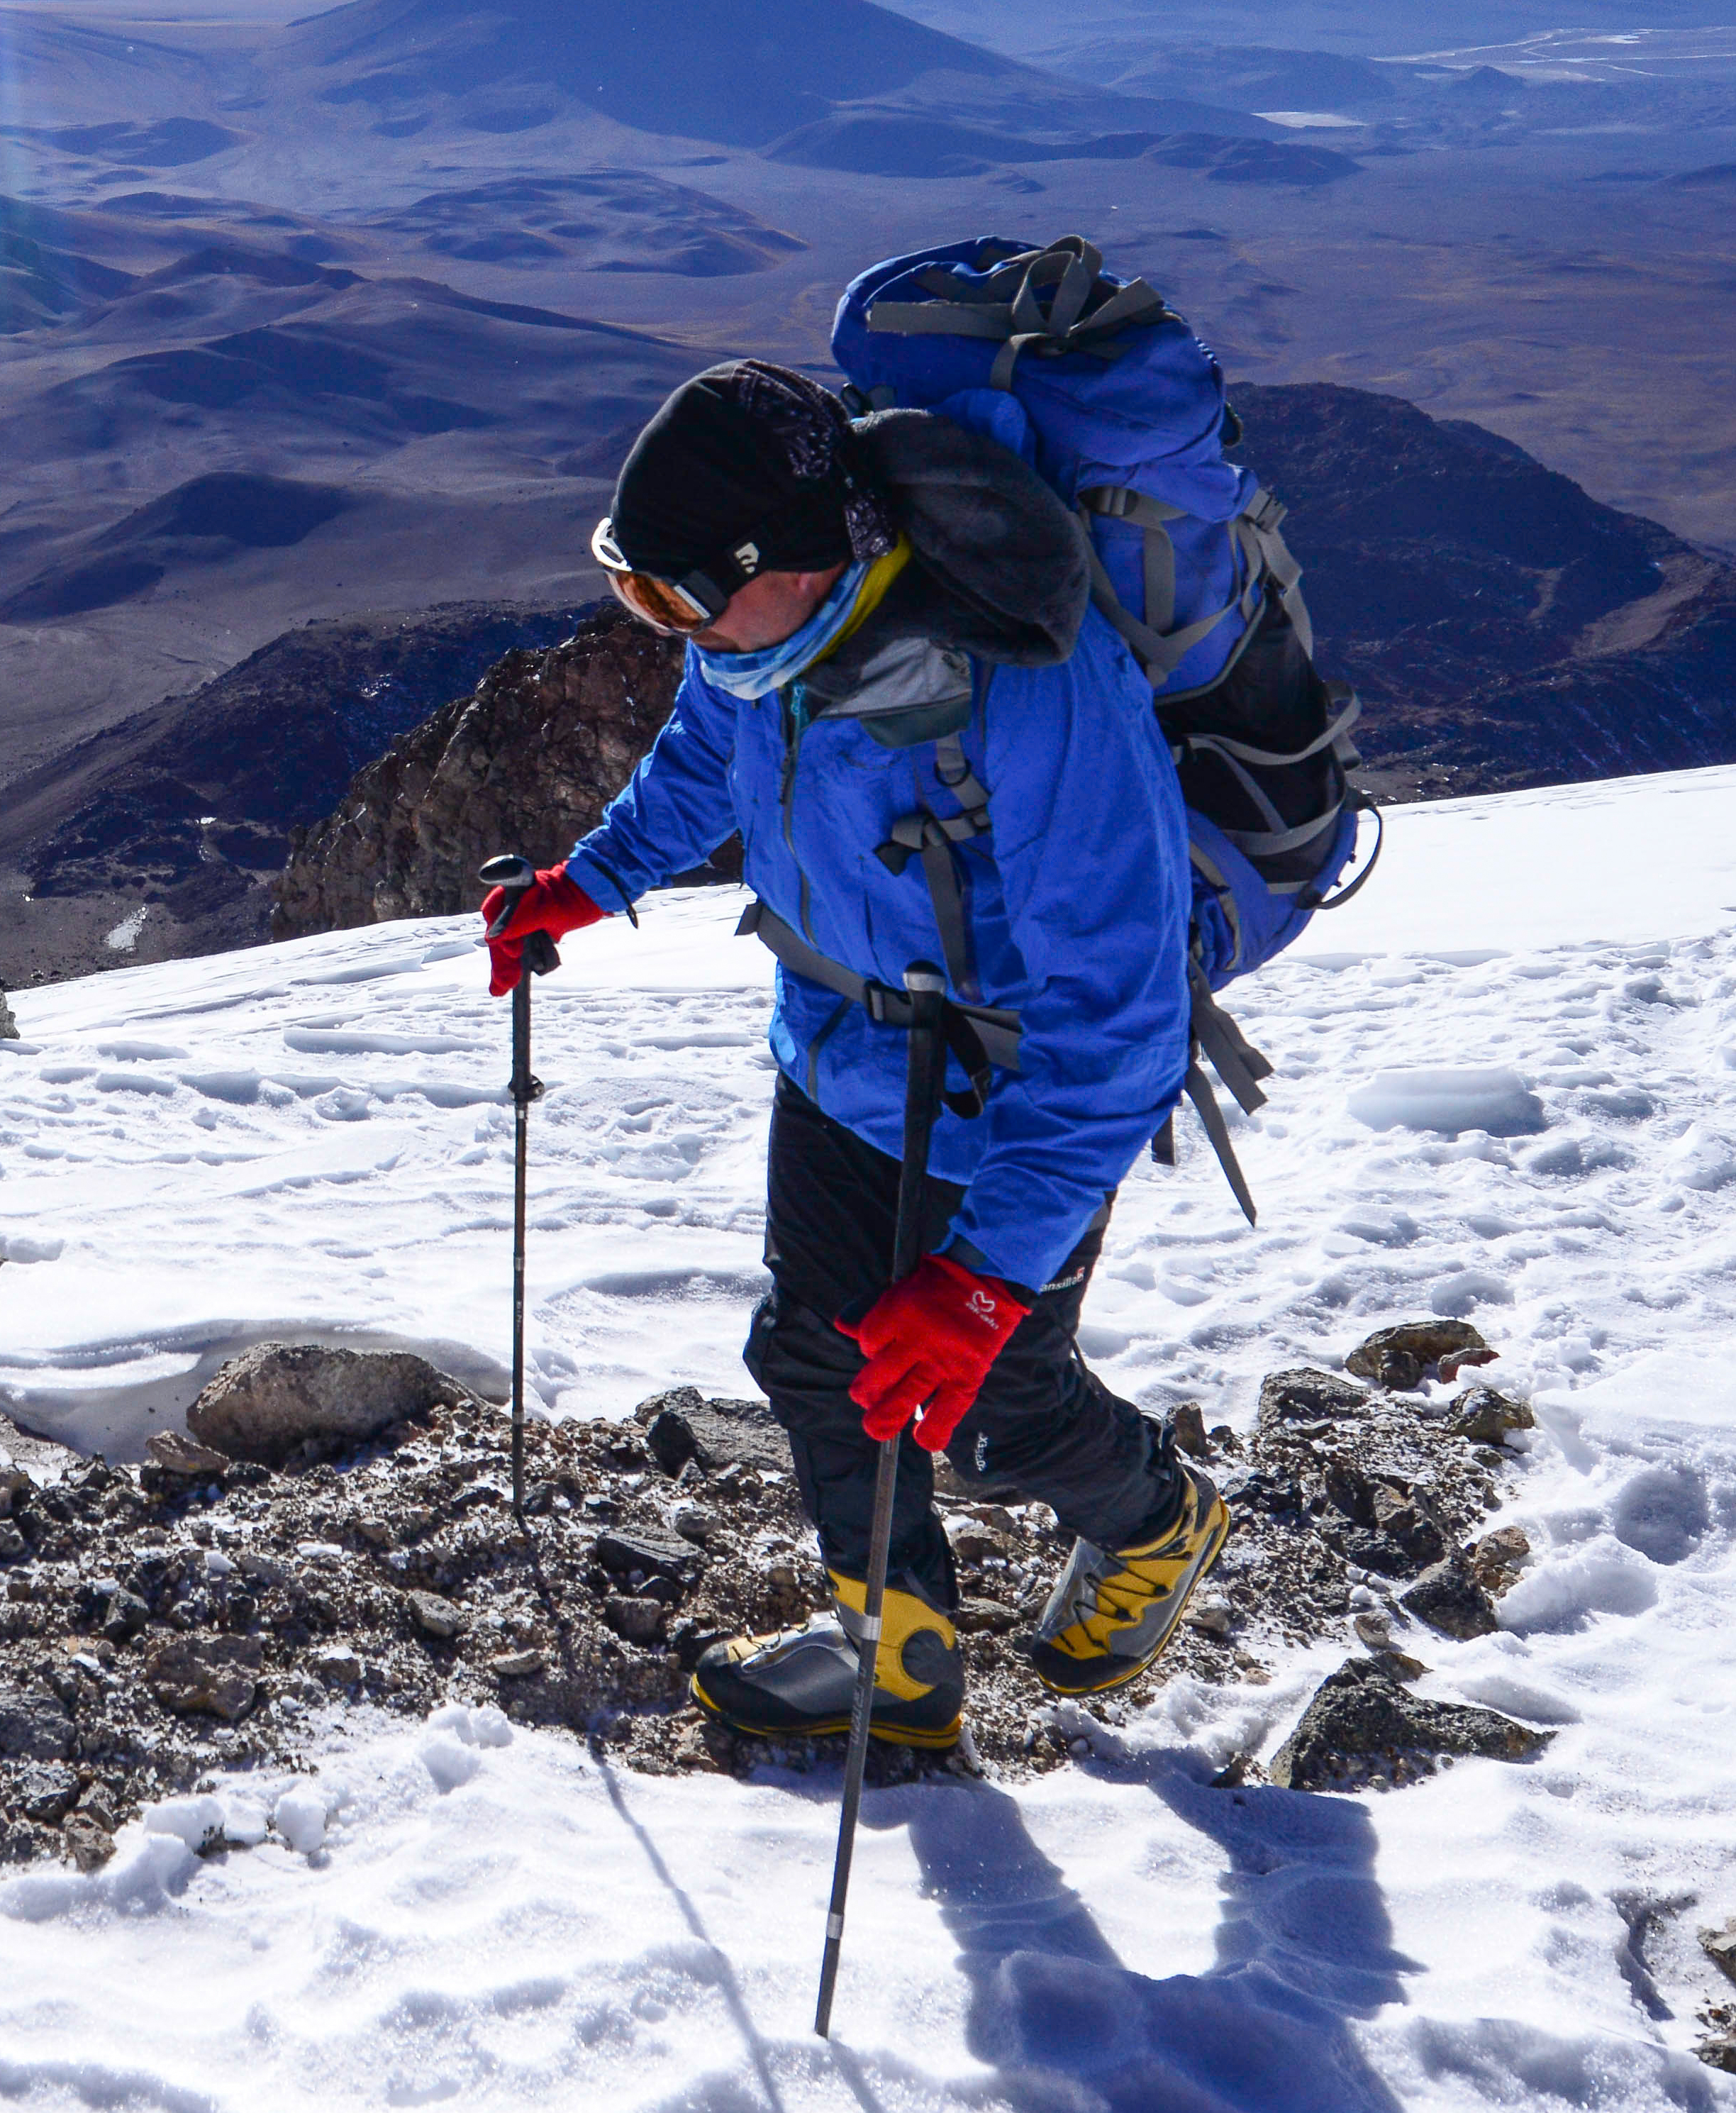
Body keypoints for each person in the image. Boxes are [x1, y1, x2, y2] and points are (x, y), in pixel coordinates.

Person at [477, 360, 1233, 1771]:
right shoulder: (758, 639)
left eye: (676, 595)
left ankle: (1149, 1511)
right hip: (830, 1054)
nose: (665, 628)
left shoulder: (1029, 682)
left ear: (792, 556)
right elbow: (706, 756)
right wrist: (593, 879)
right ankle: (895, 1655)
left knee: (992, 1407)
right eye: (638, 595)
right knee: (814, 1357)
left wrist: (984, 1273)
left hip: (998, 1110)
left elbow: (1117, 1020)